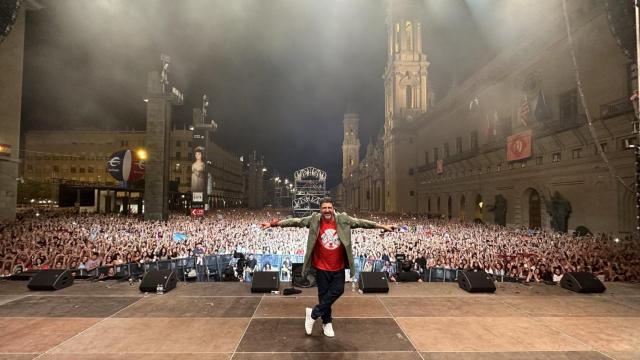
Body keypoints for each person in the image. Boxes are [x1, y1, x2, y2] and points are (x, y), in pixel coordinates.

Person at [261, 197, 393, 338]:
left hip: (338, 266)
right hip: (321, 267)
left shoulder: (343, 219)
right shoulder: (314, 220)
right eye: (324, 208)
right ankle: (327, 322)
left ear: (333, 208)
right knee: (324, 296)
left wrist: (382, 226)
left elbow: (362, 223)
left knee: (338, 290)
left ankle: (312, 314)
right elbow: (295, 221)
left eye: (329, 207)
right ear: (320, 209)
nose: (327, 210)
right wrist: (273, 224)